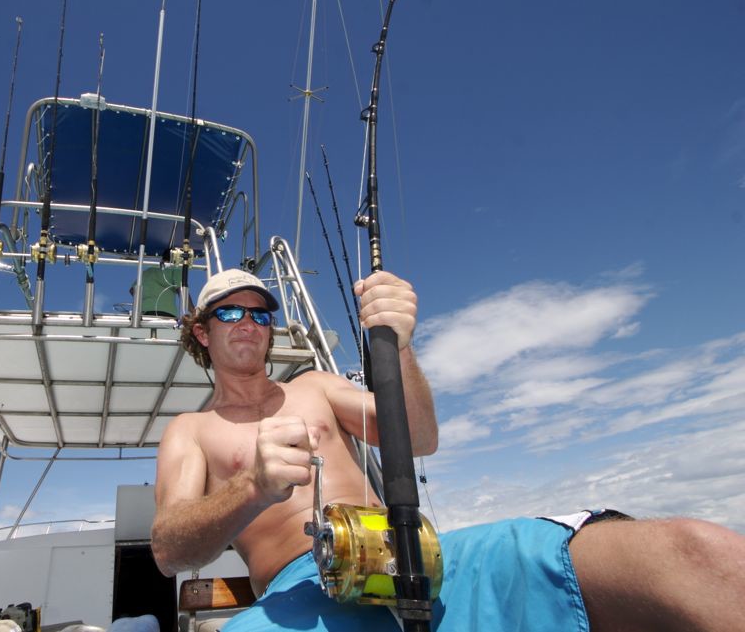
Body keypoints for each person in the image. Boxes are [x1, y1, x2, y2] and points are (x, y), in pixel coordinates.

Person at [151, 268, 745, 631]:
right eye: (230, 312)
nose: (248, 322)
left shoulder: (314, 387)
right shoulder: (190, 430)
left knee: (698, 554)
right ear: (203, 332)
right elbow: (171, 550)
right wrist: (248, 486)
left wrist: (399, 345)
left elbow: (419, 435)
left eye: (260, 313)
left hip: (411, 552)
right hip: (300, 591)